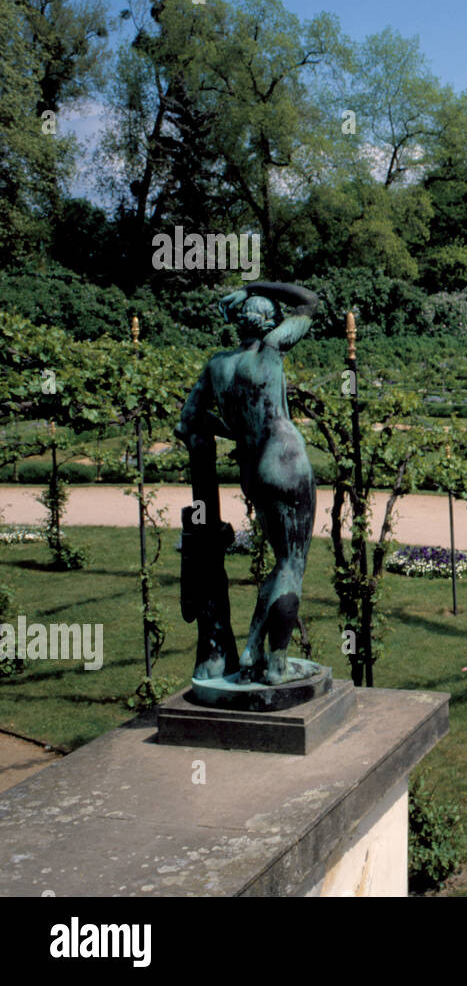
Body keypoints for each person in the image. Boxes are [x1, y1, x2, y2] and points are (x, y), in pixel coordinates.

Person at [176, 282, 318, 685]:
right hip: (287, 462)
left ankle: (254, 648)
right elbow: (309, 302)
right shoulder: (271, 349)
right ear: (271, 322)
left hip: (253, 471)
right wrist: (255, 285)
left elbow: (187, 423)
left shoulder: (217, 365)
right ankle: (277, 665)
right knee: (292, 566)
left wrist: (235, 431)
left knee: (280, 565)